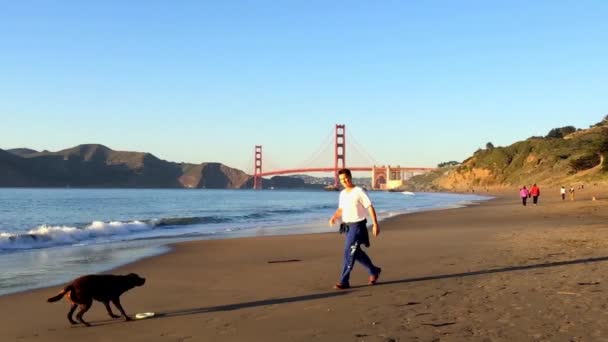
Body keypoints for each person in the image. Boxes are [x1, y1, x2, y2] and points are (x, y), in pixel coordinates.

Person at [328, 168, 381, 290]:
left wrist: (375, 224)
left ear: (350, 177)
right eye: (341, 179)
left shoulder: (359, 191)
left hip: (357, 226)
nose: (344, 181)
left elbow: (369, 207)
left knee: (348, 252)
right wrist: (334, 217)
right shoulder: (342, 194)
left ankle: (344, 281)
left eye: (346, 178)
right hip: (346, 226)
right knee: (355, 252)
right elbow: (341, 209)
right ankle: (374, 271)